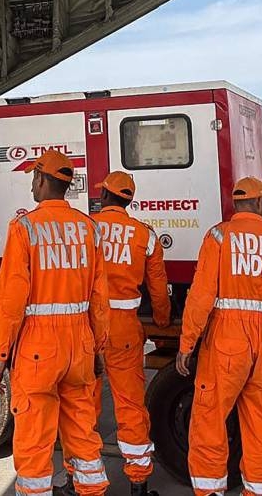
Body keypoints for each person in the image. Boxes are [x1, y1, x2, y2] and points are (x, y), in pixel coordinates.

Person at [0, 149, 110, 496]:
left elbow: (11, 300)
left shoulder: (25, 227)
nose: (31, 185)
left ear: (41, 180)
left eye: (33, 178)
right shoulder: (89, 228)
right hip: (80, 344)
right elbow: (100, 299)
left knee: (35, 440)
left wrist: (0, 355)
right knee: (83, 434)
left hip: (39, 347)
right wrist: (98, 347)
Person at [177, 176, 262, 496]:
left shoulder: (219, 236)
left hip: (226, 339)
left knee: (209, 420)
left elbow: (201, 296)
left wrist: (187, 343)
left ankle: (210, 491)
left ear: (236, 205)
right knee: (260, 423)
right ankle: (258, 491)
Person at [89, 171, 171, 496]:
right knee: (130, 405)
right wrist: (163, 322)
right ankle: (138, 483)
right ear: (129, 201)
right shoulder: (144, 235)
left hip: (89, 326)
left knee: (84, 404)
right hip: (125, 328)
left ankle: (80, 482)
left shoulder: (86, 228)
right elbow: (159, 291)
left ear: (107, 197)